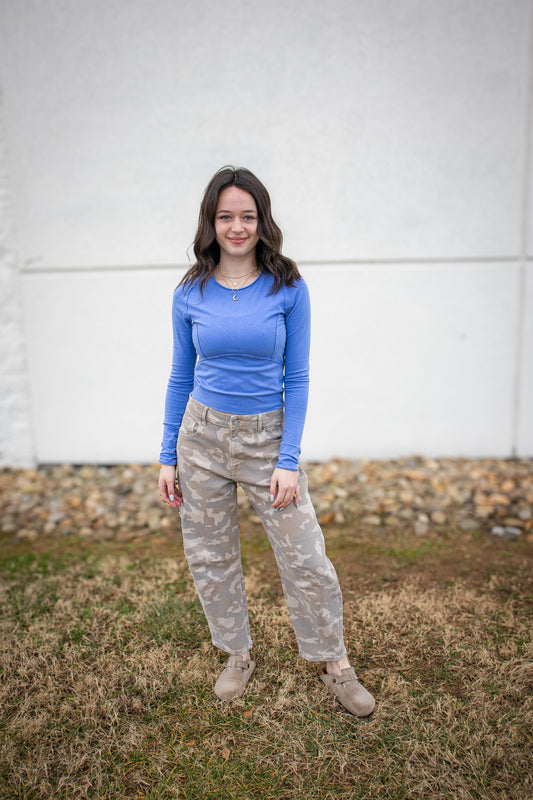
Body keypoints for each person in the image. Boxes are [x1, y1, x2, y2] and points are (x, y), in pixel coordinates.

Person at [158, 166, 375, 717]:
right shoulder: (190, 291)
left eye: (247, 216)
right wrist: (166, 455)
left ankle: (335, 663)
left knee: (306, 559)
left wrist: (287, 459)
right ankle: (237, 653)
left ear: (262, 221)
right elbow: (181, 376)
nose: (237, 226)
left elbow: (296, 377)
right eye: (226, 215)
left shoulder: (288, 287)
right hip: (201, 438)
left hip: (266, 437)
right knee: (211, 556)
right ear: (211, 221)